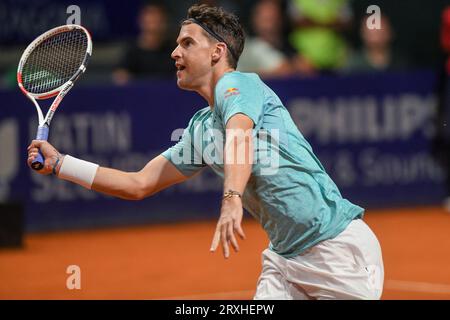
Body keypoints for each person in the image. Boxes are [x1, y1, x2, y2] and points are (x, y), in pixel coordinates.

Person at [27, 4, 384, 299]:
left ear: (217, 52)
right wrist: (61, 164)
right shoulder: (199, 129)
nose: (174, 52)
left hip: (337, 250)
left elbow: (240, 136)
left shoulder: (239, 83)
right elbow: (139, 184)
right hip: (285, 263)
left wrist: (232, 197)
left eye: (186, 43)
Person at [113, 2, 174, 84]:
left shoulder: (173, 50)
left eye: (157, 20)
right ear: (141, 21)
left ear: (164, 22)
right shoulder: (132, 51)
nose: (153, 23)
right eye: (150, 19)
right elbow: (120, 76)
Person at [342, 14, 410, 73]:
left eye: (380, 31)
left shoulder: (401, 63)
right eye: (371, 32)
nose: (376, 35)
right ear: (362, 33)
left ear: (390, 32)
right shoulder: (354, 65)